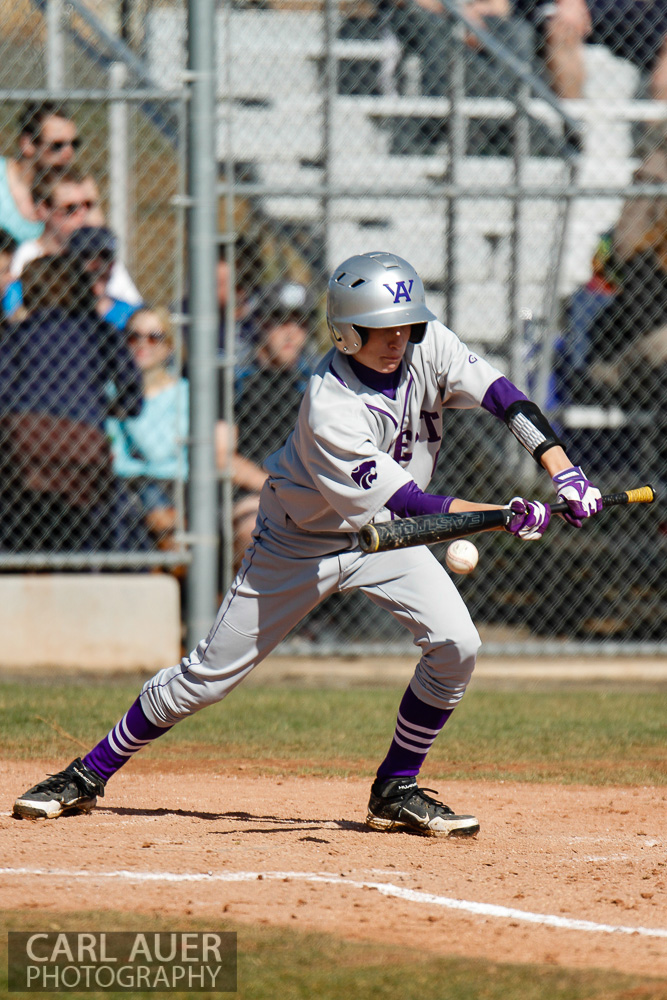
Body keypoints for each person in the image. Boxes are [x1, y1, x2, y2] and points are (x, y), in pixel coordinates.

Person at [12, 251, 602, 835]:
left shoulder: (430, 346)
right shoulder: (330, 406)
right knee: (207, 678)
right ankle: (85, 775)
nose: (397, 340)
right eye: (378, 330)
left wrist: (563, 470)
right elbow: (412, 506)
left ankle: (396, 787)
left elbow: (504, 396)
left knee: (457, 646)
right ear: (346, 332)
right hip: (299, 542)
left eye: (405, 326)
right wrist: (504, 514)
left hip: (384, 542)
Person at [0, 254, 145, 553]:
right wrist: (111, 409)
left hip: (23, 451)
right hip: (83, 446)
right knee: (111, 504)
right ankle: (116, 566)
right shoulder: (98, 333)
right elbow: (132, 393)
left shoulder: (15, 336)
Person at [226, 281, 315, 569]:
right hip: (253, 494)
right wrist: (277, 487)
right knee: (254, 530)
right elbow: (223, 458)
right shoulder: (237, 381)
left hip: (309, 494)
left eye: (300, 323)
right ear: (262, 324)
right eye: (279, 320)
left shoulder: (317, 384)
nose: (291, 331)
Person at [105, 306, 188, 550]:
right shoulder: (108, 390)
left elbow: (158, 452)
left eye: (154, 337)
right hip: (122, 483)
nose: (143, 345)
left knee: (154, 500)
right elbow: (113, 452)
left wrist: (128, 403)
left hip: (170, 485)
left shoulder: (183, 393)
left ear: (169, 346)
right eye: (133, 336)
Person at [514, 0, 667, 102]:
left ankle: (657, 143)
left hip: (635, 13)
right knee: (563, 28)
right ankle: (574, 133)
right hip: (577, 9)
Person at [0, 100, 78, 244]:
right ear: (27, 144)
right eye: (57, 145)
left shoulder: (73, 190)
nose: (69, 153)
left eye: (74, 144)